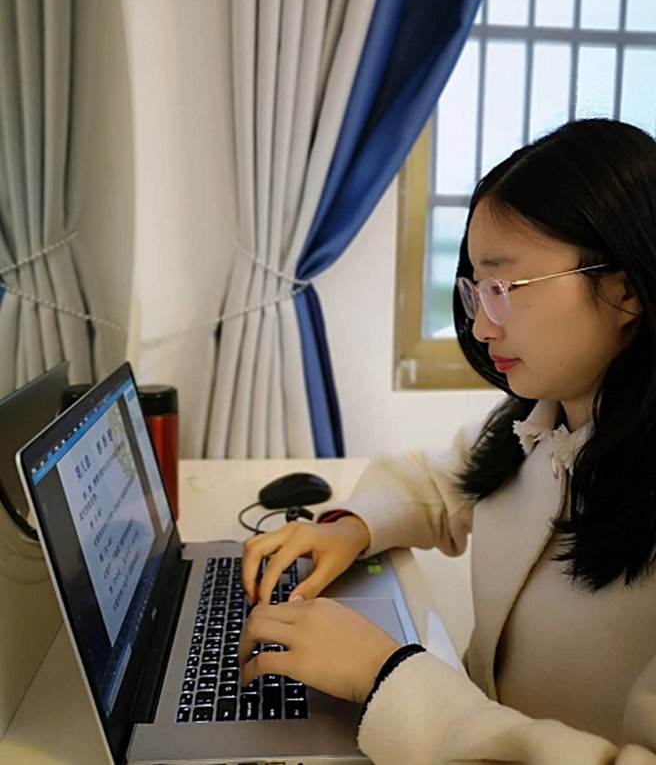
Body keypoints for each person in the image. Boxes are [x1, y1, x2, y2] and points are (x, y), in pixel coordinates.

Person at [238, 118, 656, 764]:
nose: (483, 327)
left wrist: (387, 679)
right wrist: (350, 527)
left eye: (505, 289)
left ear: (624, 288)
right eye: (475, 291)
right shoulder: (543, 420)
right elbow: (444, 483)